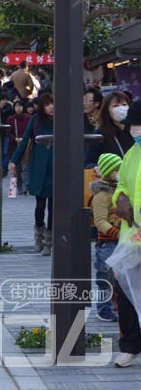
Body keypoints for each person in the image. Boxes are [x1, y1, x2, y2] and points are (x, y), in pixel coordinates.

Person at [111, 100, 141, 368]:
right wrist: (120, 199)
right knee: (126, 290)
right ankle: (130, 345)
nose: (134, 129)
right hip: (132, 237)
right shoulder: (133, 153)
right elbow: (122, 184)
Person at [8, 93, 55, 256]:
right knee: (40, 204)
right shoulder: (35, 120)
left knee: (54, 206)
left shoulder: (61, 119)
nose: (51, 107)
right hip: (39, 166)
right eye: (47, 104)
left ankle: (49, 241)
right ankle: (39, 236)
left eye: (53, 104)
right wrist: (14, 160)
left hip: (56, 167)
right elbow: (25, 140)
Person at [90, 153, 121, 323]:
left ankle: (117, 305)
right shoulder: (102, 195)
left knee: (120, 277)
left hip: (122, 240)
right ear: (109, 171)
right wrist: (114, 232)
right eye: (117, 169)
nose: (120, 172)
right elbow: (100, 220)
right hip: (108, 243)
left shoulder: (120, 189)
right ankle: (103, 309)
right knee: (105, 278)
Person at [6, 100, 32, 195]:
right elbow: (8, 132)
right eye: (17, 106)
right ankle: (19, 187)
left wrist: (25, 138)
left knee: (26, 166)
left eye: (20, 106)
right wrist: (14, 138)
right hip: (14, 145)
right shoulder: (11, 119)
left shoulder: (29, 118)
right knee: (17, 167)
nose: (19, 108)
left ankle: (26, 186)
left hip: (26, 145)